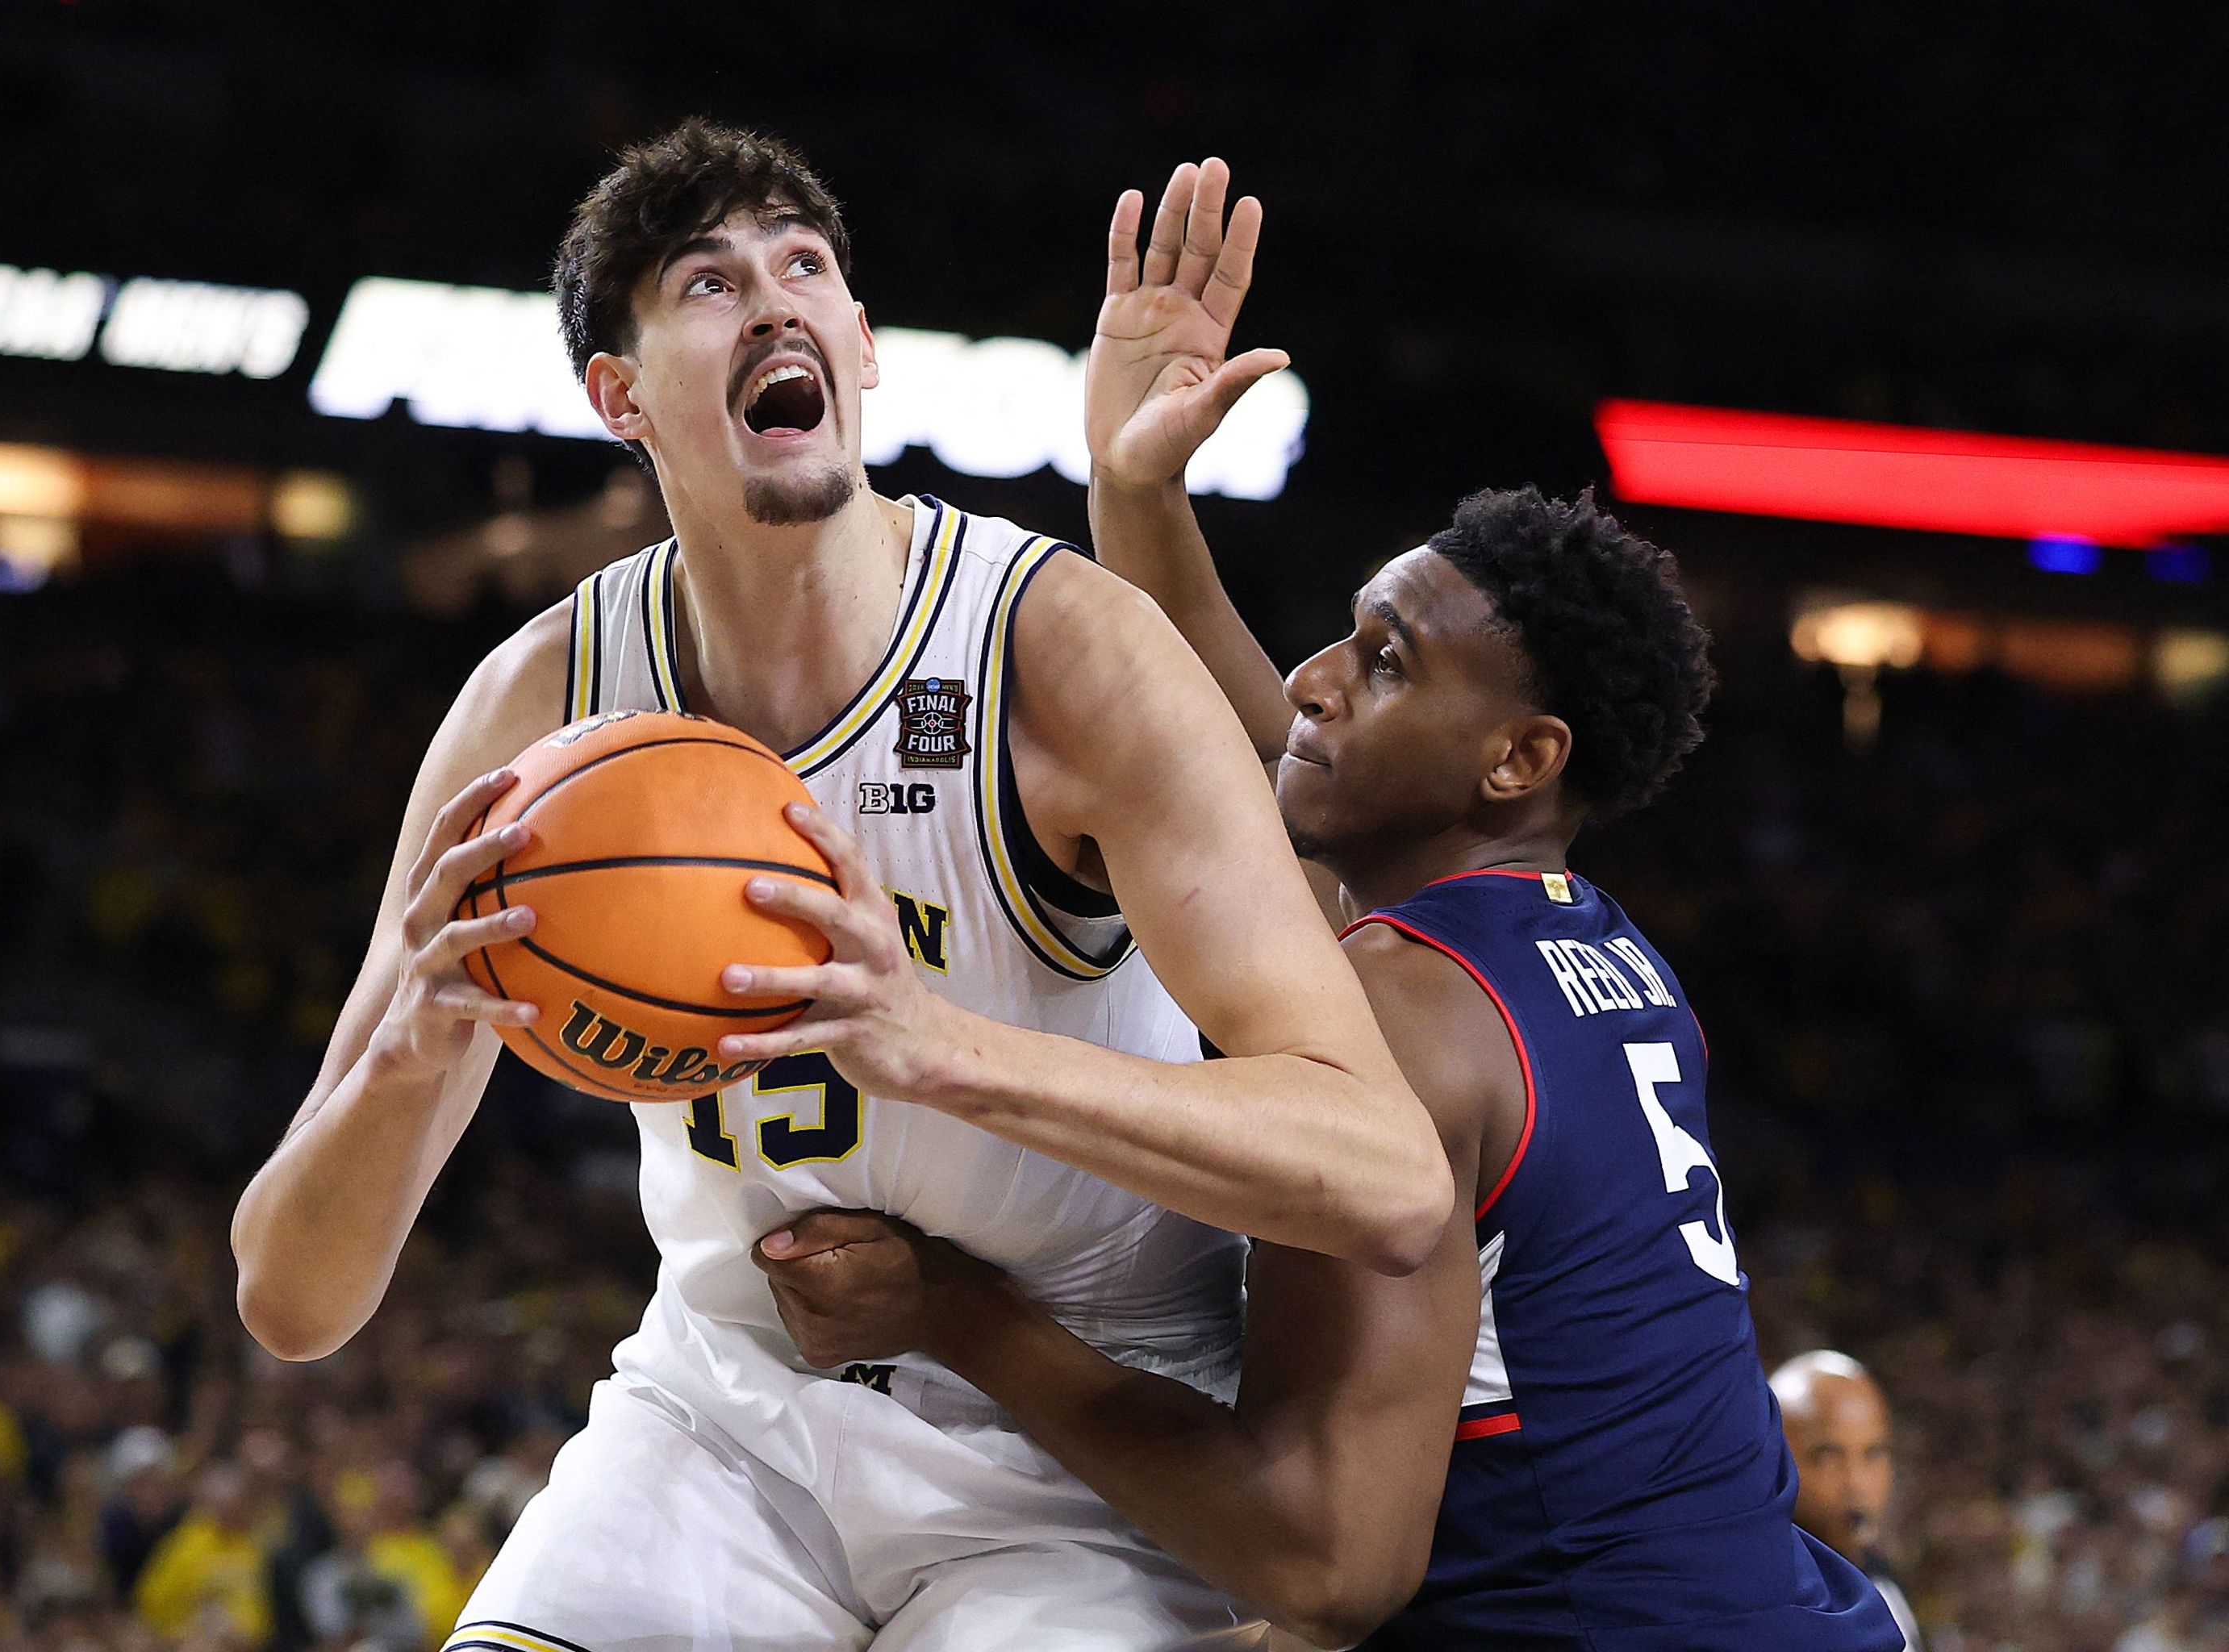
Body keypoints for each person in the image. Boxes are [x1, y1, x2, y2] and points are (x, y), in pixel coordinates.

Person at [230, 121, 1453, 1652]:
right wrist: (405, 1056)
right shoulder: (539, 713)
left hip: (1082, 1430)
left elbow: (1385, 1171)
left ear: (861, 350)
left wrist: (939, 1045)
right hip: (723, 1410)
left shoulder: (1059, 656)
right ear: (619, 396)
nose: (772, 303)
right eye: (705, 284)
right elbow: (291, 1299)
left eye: (803, 266)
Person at [752, 160, 1904, 1651]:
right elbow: (1248, 756)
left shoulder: (1398, 1017)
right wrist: (1134, 487)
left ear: (1516, 758)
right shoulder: (1588, 948)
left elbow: (1322, 1557)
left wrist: (956, 1313)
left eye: (1384, 661)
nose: (1313, 679)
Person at [1774, 1350, 1924, 1650]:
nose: (1856, 1483)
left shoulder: (1878, 1576)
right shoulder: (1757, 1604)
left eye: (1873, 1454)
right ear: (1773, 1460)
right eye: (1828, 1456)